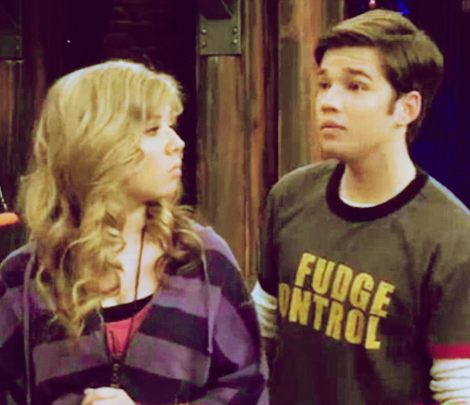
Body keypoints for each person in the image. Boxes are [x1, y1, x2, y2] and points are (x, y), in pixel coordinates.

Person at [0, 60, 266, 405]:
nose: (177, 143)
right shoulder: (21, 280)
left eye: (171, 126)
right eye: (153, 130)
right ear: (96, 145)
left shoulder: (202, 260)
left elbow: (248, 390)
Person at [252, 9, 470, 405]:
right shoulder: (290, 196)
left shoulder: (451, 237)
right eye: (324, 84)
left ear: (406, 108)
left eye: (355, 86)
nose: (328, 101)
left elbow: (458, 391)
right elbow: (257, 334)